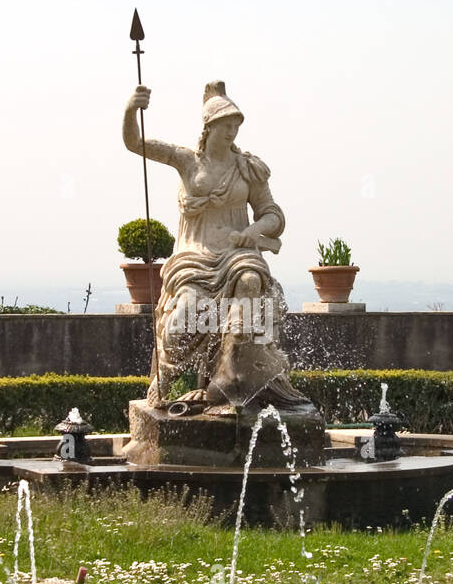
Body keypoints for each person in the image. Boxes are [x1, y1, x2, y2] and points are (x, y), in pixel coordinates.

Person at [122, 80, 313, 412]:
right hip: (195, 258)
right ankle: (164, 383)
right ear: (209, 126)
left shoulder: (248, 168)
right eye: (226, 125)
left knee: (251, 284)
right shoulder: (186, 161)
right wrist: (130, 110)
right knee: (182, 319)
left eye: (236, 125)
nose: (232, 132)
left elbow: (272, 214)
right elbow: (134, 143)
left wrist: (254, 230)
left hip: (238, 256)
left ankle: (234, 378)